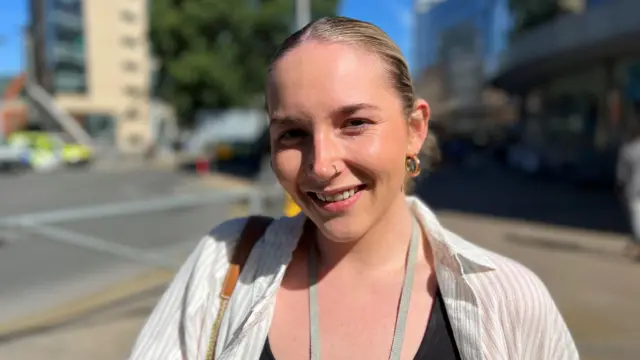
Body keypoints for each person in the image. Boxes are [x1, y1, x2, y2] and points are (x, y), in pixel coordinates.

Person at [129, 16, 578, 360]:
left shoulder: (509, 298)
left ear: (414, 128)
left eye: (355, 123)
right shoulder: (224, 262)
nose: (321, 165)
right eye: (292, 133)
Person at [616, 124, 640, 260]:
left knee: (637, 218)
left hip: (634, 189)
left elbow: (622, 175)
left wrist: (619, 188)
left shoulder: (628, 150)